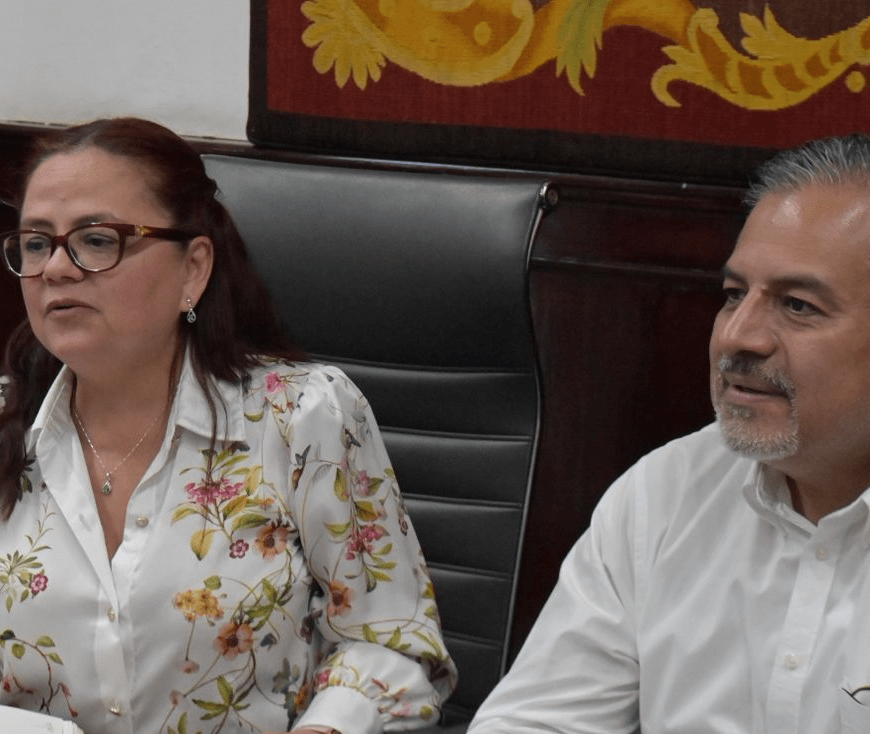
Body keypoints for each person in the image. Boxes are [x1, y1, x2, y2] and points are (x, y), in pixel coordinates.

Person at [0, 117, 456, 734]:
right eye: (36, 244)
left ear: (192, 268)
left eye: (97, 239)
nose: (56, 268)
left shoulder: (302, 416)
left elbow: (391, 641)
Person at [466, 133, 870, 734]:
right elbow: (536, 721)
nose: (737, 336)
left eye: (798, 306)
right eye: (733, 295)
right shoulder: (667, 493)